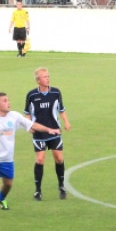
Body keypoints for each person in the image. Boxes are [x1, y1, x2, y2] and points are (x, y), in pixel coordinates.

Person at [25, 67, 71, 201]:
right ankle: (38, 191)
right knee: (39, 160)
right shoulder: (32, 95)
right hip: (39, 133)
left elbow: (61, 109)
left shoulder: (56, 92)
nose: (48, 79)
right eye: (45, 77)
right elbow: (27, 113)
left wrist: (66, 122)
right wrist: (29, 126)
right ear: (38, 80)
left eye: (48, 76)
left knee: (59, 159)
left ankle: (61, 186)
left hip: (55, 131)